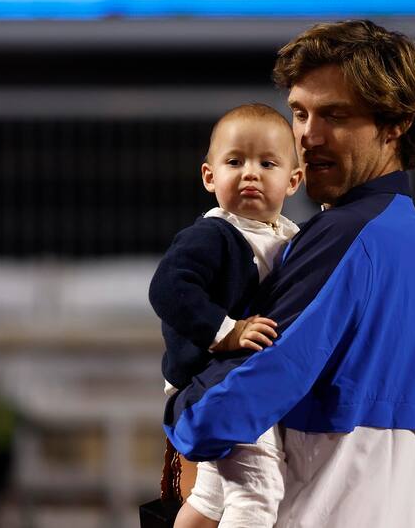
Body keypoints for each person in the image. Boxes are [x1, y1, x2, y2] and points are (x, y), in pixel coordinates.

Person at [163, 19, 415, 527]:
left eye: (335, 116)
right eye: (300, 112)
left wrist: (179, 410)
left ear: (397, 124)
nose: (307, 135)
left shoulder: (344, 236)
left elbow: (236, 401)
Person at [149, 103, 303, 528]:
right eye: (235, 161)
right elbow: (168, 288)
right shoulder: (213, 234)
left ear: (293, 181)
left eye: (266, 163)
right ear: (209, 176)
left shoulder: (289, 236)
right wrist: (226, 331)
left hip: (234, 386)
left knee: (211, 496)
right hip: (214, 385)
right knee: (258, 491)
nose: (249, 172)